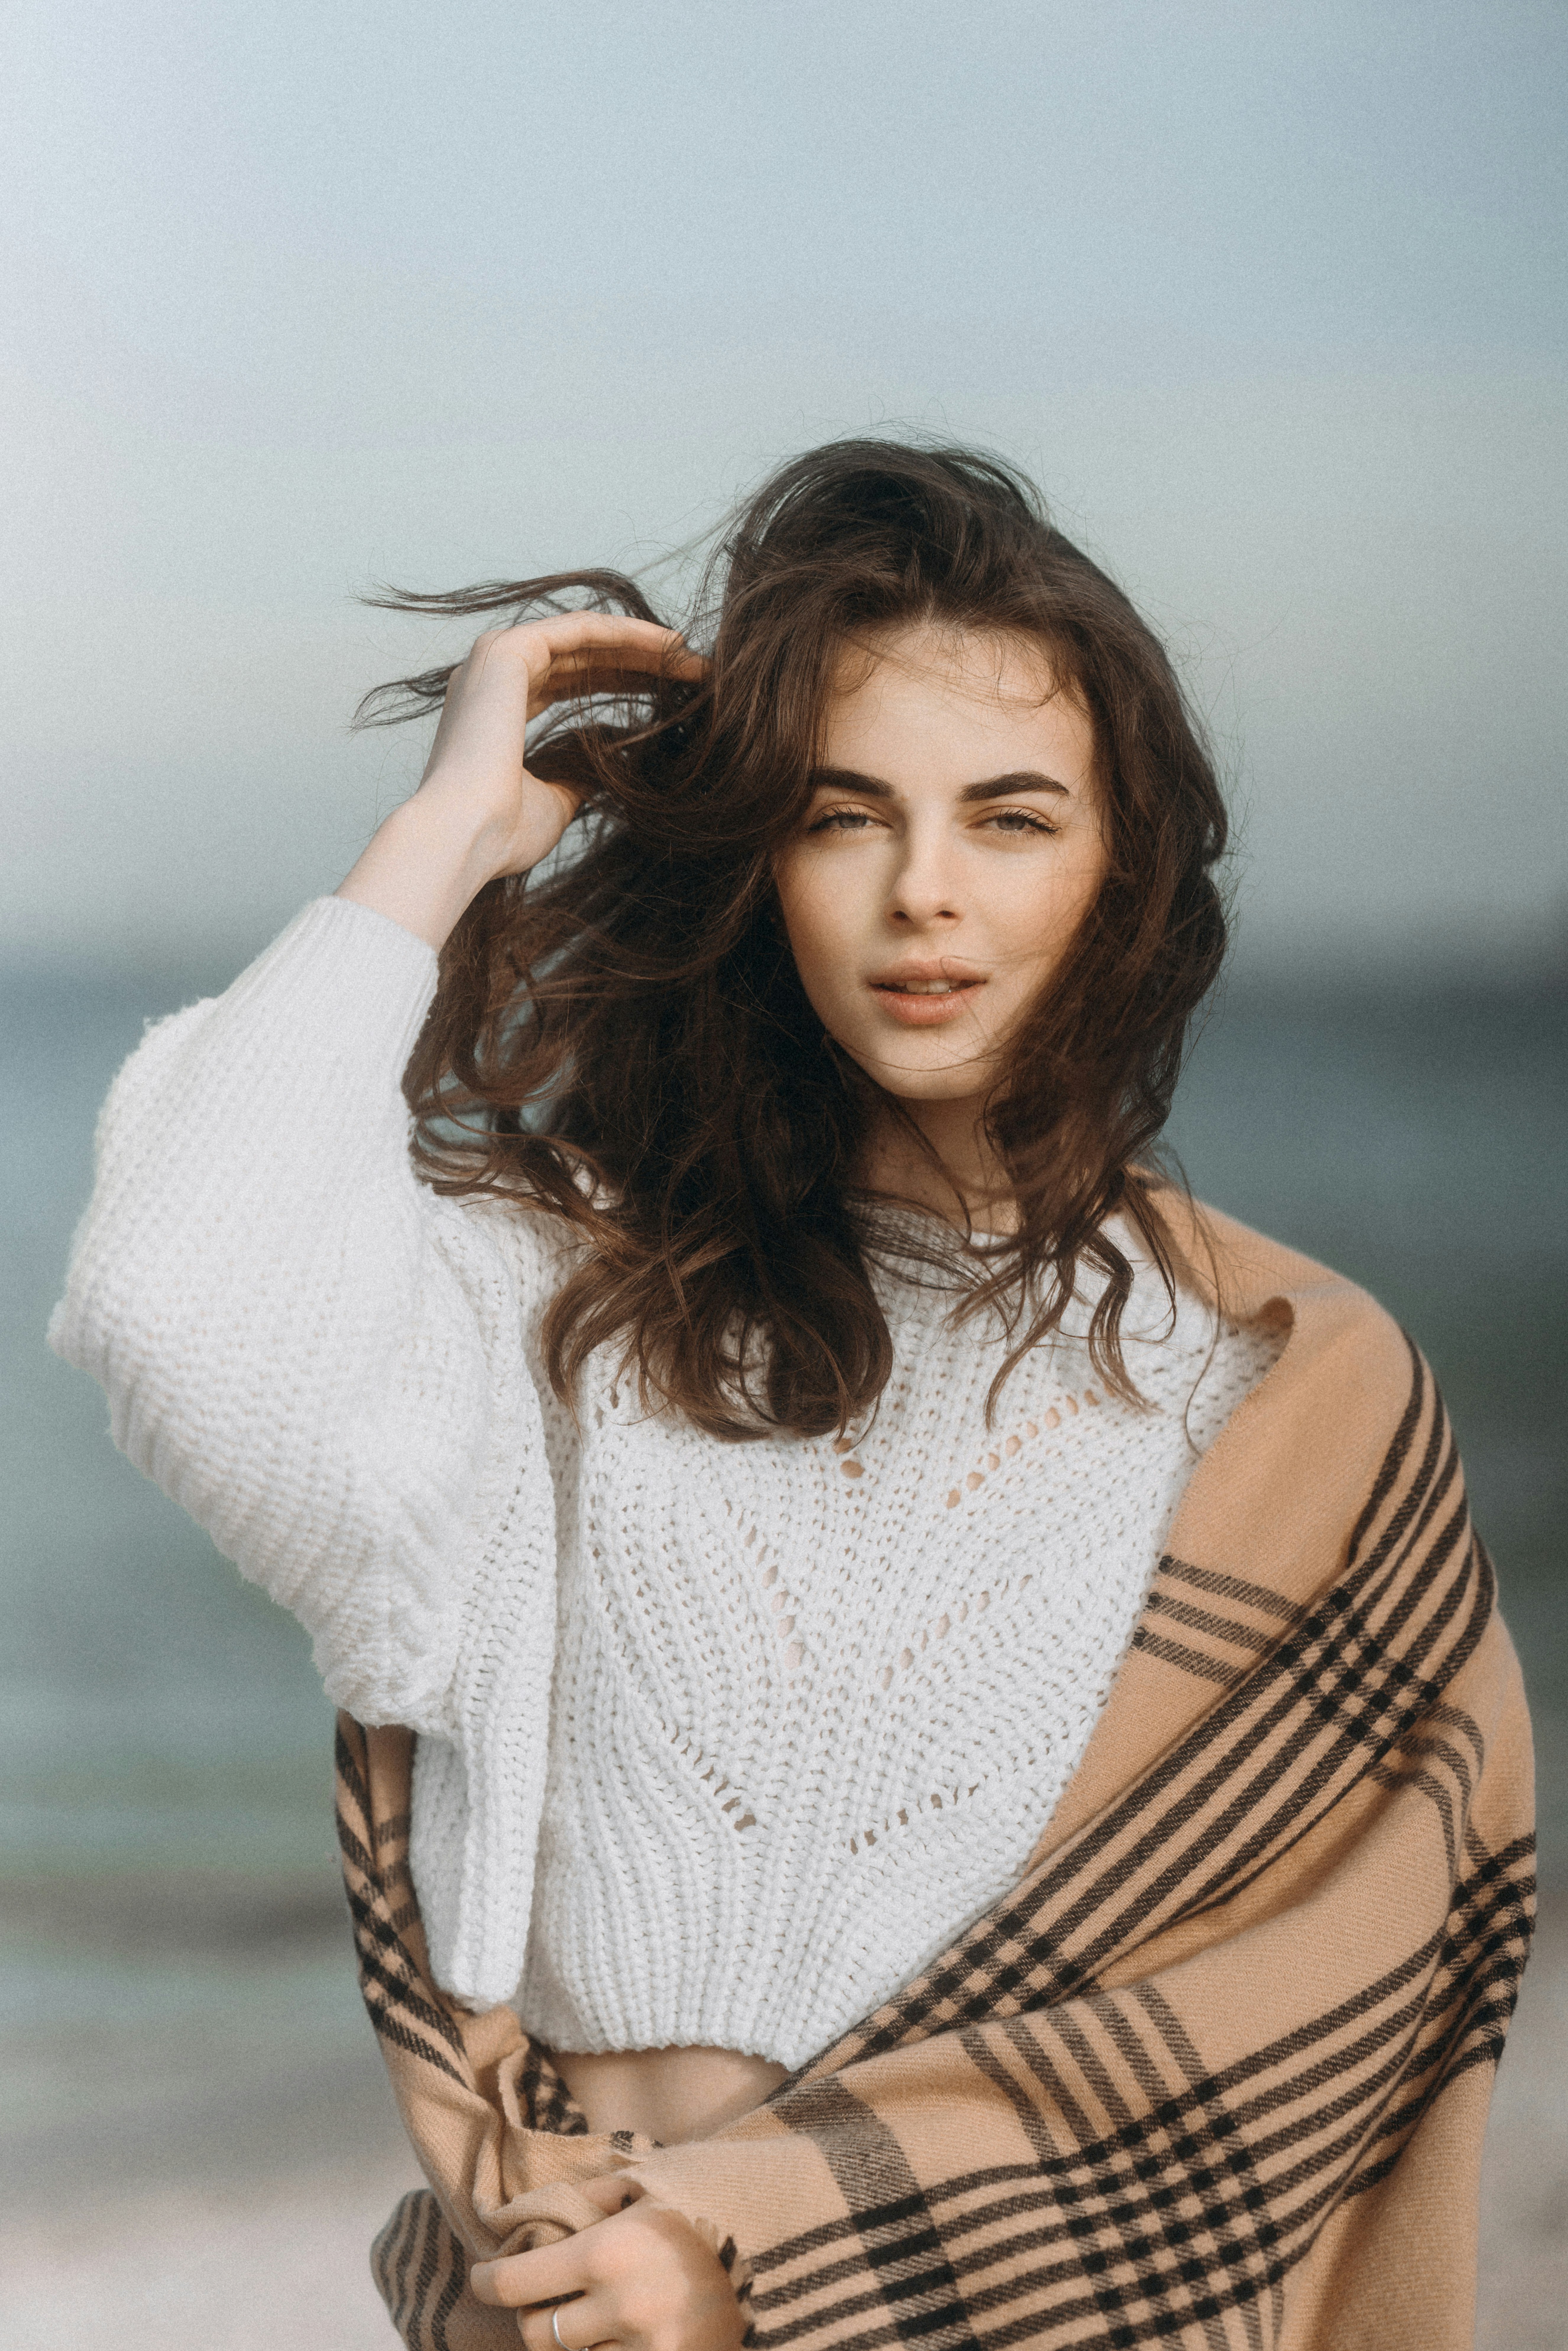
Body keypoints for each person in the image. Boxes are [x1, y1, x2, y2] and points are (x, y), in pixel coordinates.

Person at [50, 443, 1531, 2351]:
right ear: (755, 862)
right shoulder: (570, 1294)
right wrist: (448, 837)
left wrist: (755, 2245)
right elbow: (179, 1303)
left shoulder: (1277, 1379)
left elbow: (1313, 2011)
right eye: (844, 818)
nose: (926, 896)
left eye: (1009, 820)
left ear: (1122, 871)